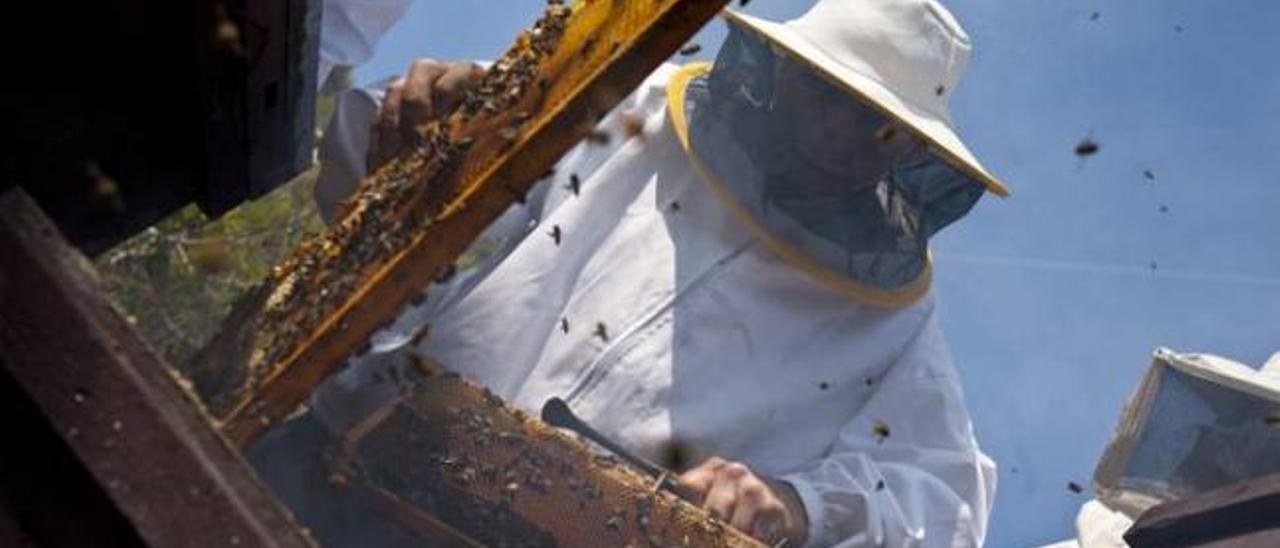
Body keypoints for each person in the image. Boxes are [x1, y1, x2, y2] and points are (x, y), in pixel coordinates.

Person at [285, 0, 1007, 545]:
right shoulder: (638, 106)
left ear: (904, 152)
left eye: (876, 126)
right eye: (831, 98)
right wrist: (430, 122)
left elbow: (947, 496)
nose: (840, 138)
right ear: (782, 73)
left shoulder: (895, 315)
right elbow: (357, 165)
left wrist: (797, 502)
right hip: (350, 453)